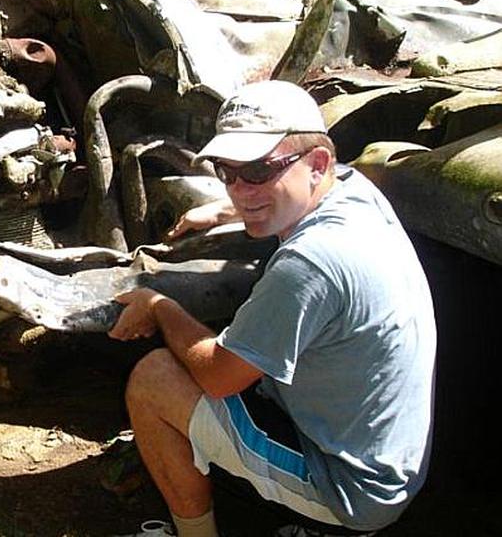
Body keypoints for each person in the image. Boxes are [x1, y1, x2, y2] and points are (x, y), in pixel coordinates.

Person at [109, 80, 436, 536]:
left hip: (348, 490)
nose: (242, 189)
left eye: (260, 170)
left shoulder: (310, 262)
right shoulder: (355, 191)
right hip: (380, 456)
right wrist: (226, 211)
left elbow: (217, 376)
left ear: (318, 164)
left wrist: (159, 304)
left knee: (154, 378)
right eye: (228, 171)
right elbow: (272, 193)